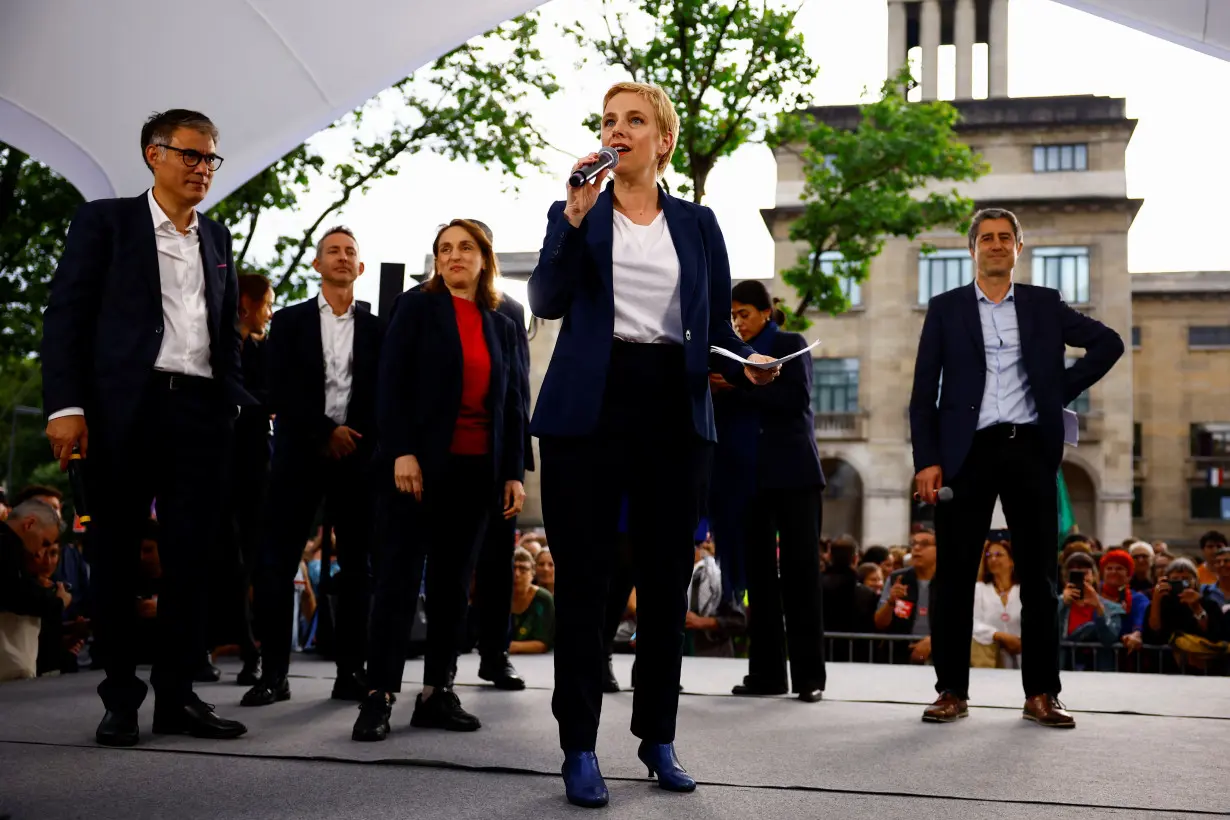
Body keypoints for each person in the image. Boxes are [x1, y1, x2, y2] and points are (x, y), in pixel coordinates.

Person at [527, 81, 778, 808]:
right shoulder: (575, 212)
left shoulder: (698, 225)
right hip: (591, 407)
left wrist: (747, 360)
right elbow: (545, 300)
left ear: (663, 141)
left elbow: (719, 329)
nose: (619, 129)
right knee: (584, 583)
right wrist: (573, 219)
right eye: (609, 120)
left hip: (673, 402)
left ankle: (657, 735)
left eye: (635, 120)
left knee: (667, 580)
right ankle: (578, 747)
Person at [42, 109, 251, 746]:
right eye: (190, 155)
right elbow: (66, 317)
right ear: (152, 155)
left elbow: (224, 333)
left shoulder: (216, 237)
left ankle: (178, 697)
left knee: (193, 559)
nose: (202, 169)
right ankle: (120, 700)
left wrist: (236, 401)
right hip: (122, 410)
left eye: (211, 158)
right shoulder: (104, 223)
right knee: (116, 557)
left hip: (199, 413)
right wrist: (65, 407)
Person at [909, 207, 1124, 729]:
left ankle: (1042, 694)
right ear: (973, 249)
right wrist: (928, 460)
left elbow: (1108, 343)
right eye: (987, 238)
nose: (997, 245)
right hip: (967, 454)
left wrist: (1055, 396)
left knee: (1040, 578)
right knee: (956, 576)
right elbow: (922, 394)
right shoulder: (945, 308)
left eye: (1006, 238)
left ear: (1019, 249)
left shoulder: (1044, 305)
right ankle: (951, 692)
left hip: (1030, 448)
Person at [352, 219, 525, 743]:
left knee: (453, 586)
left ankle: (436, 694)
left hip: (478, 471)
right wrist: (401, 450)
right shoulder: (417, 306)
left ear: (483, 257)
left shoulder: (504, 319)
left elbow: (515, 401)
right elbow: (391, 382)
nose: (454, 256)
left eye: (465, 247)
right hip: (417, 469)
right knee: (399, 582)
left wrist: (514, 471)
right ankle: (379, 695)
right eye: (444, 249)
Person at [243, 227, 385, 708]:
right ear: (317, 265)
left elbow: (384, 394)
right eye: (333, 252)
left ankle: (351, 672)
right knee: (276, 565)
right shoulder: (288, 322)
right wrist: (326, 431)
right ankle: (273, 674)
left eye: (351, 251)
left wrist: (351, 436)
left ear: (360, 268)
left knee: (358, 569)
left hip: (358, 458)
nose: (343, 258)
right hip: (298, 455)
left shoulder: (377, 328)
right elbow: (277, 389)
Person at [713, 280, 826, 703]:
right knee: (757, 580)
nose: (737, 323)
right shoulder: (727, 356)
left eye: (743, 314)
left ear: (765, 311)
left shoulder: (790, 343)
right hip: (746, 479)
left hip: (794, 475)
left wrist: (739, 385)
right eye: (732, 316)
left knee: (801, 574)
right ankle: (766, 674)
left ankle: (810, 676)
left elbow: (794, 400)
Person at [213, 272, 274, 687]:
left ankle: (252, 649)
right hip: (216, 465)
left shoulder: (264, 351)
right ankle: (243, 647)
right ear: (246, 304)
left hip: (255, 469)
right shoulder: (217, 347)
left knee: (247, 562)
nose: (269, 313)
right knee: (222, 561)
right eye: (266, 303)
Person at [0, 500, 70, 681]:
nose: (40, 551)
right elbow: (18, 595)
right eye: (44, 542)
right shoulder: (6, 546)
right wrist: (58, 601)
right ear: (29, 524)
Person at [874, 528, 937, 664]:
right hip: (898, 655)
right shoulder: (898, 578)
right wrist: (891, 602)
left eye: (924, 544)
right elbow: (879, 623)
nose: (916, 548)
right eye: (913, 544)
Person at [1058, 552, 1124, 672]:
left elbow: (1110, 638)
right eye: (1076, 573)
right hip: (1062, 670)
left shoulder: (1113, 608)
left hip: (1099, 673)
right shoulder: (1055, 604)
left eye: (1085, 573)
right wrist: (1062, 602)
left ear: (1094, 576)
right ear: (1066, 578)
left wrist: (1099, 607)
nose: (1082, 578)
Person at [971, 537, 1021, 669]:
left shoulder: (1022, 591)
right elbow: (974, 623)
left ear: (1011, 560)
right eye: (989, 556)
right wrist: (998, 635)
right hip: (988, 658)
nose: (993, 559)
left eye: (999, 555)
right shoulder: (979, 589)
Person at [1098, 549, 1149, 657]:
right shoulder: (1094, 596)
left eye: (1119, 568)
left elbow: (1141, 618)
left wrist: (1136, 634)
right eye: (1109, 568)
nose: (1113, 572)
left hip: (1128, 657)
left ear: (1129, 574)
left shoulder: (1138, 598)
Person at [510, 546, 555, 654]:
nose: (517, 574)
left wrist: (508, 646)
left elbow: (543, 643)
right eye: (513, 568)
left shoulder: (543, 599)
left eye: (523, 569)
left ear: (532, 572)